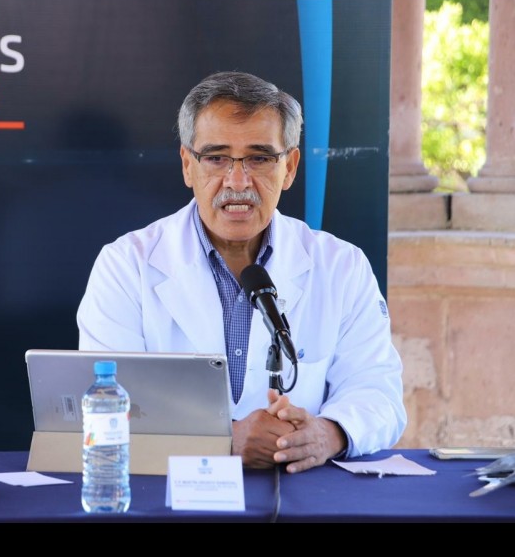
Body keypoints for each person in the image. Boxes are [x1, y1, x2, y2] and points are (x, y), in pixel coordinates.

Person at [76, 71, 407, 474]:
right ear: (188, 165)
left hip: (302, 491)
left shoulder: (342, 266)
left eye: (259, 158)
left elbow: (379, 393)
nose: (237, 181)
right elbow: (104, 406)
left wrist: (326, 433)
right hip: (168, 493)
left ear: (290, 168)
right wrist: (224, 441)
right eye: (216, 158)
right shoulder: (126, 265)